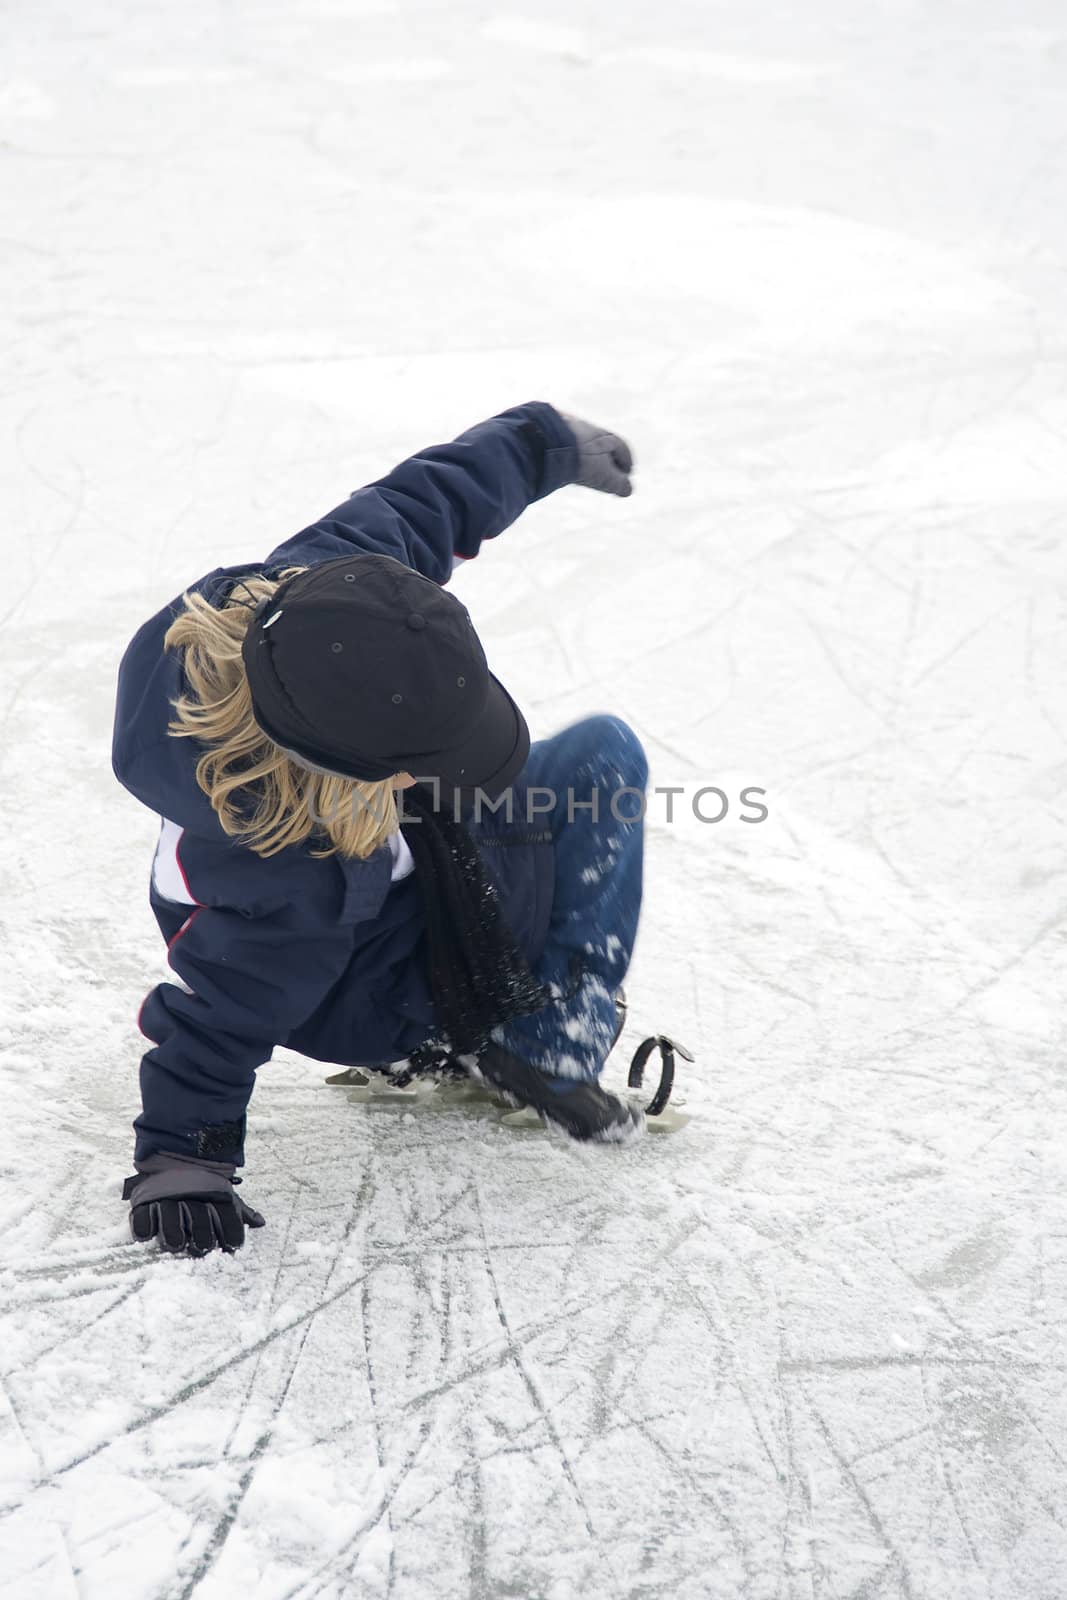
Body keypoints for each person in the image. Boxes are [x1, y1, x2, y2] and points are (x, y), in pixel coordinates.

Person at [113, 402, 650, 1258]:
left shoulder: (324, 602)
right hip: (365, 991)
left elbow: (416, 505)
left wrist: (539, 445)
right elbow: (218, 1012)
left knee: (597, 759)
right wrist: (183, 1158)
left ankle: (531, 1031)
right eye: (420, 759)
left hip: (398, 855)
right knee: (567, 796)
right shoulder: (287, 873)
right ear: (345, 767)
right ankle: (528, 1041)